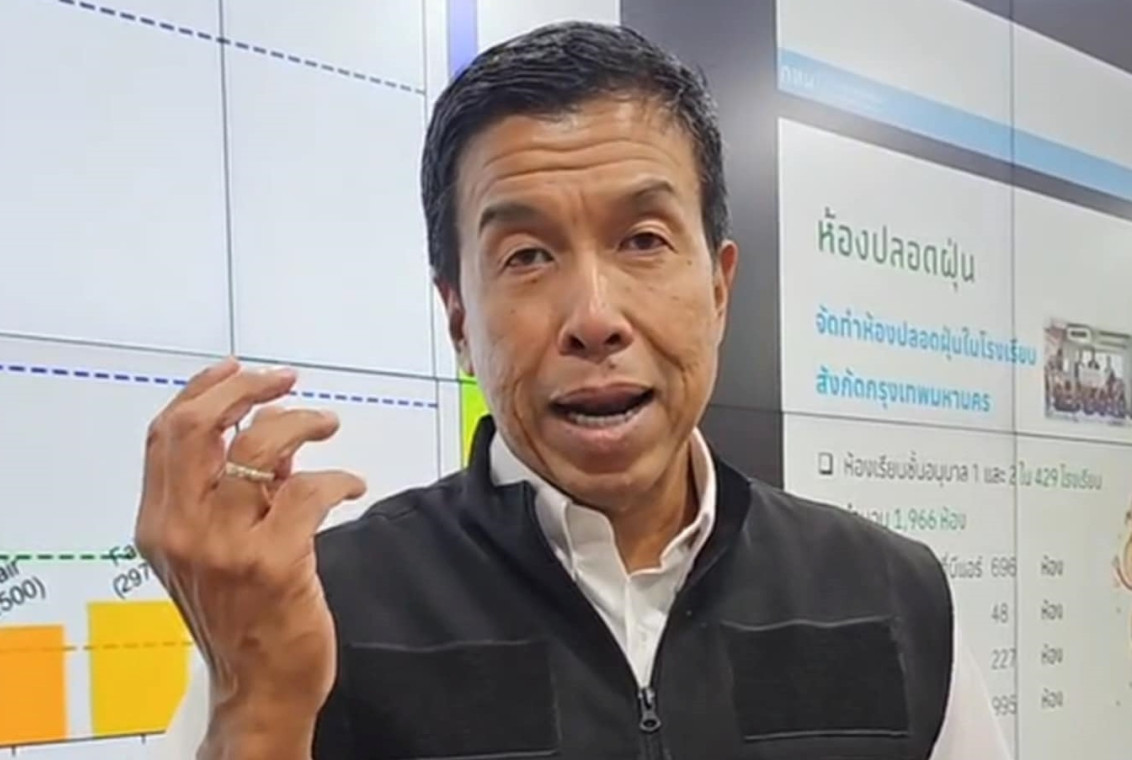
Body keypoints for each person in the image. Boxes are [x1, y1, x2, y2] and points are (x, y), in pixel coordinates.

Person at [138, 21, 1012, 760]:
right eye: (527, 256)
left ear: (719, 289)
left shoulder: (893, 596)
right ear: (458, 321)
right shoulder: (310, 619)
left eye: (643, 240)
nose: (594, 318)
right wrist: (259, 707)